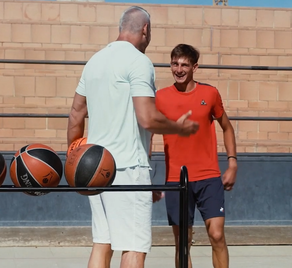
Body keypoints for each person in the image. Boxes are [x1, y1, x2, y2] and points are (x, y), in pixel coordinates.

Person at [66, 6, 199, 268]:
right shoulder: (139, 61)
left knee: (102, 244)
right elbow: (147, 118)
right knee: (133, 247)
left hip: (94, 168)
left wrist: (75, 162)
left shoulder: (94, 61)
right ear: (145, 30)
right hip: (127, 168)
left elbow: (75, 116)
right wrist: (179, 127)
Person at [155, 43, 237, 268]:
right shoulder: (159, 98)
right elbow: (148, 132)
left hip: (209, 176)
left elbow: (227, 127)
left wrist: (232, 163)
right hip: (176, 179)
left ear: (194, 67)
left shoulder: (209, 93)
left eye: (184, 65)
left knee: (217, 235)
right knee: (183, 242)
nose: (178, 69)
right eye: (174, 64)